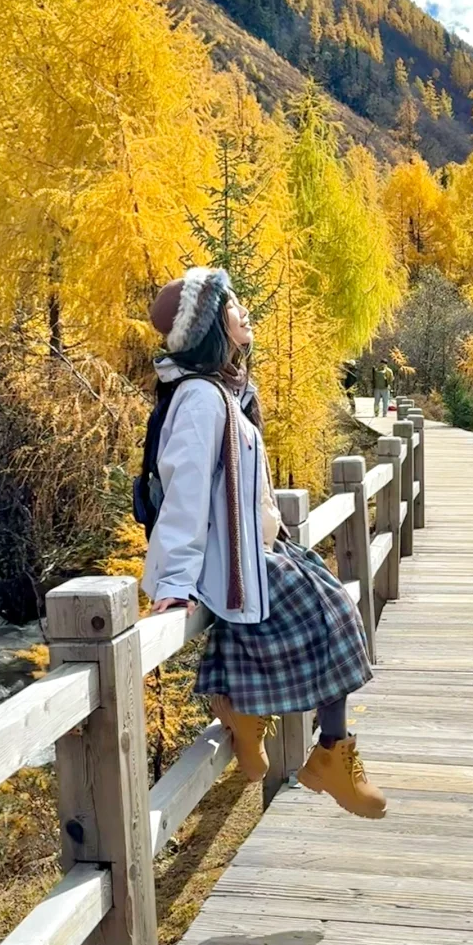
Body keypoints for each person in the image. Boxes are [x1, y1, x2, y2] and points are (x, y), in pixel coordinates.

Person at [141, 266, 386, 818]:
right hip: (227, 559)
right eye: (231, 303)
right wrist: (175, 583)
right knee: (332, 616)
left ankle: (257, 723)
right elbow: (184, 495)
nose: (243, 309)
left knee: (332, 603)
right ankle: (327, 752)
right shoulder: (202, 399)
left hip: (255, 549)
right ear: (208, 325)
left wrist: (278, 538)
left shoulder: (222, 392)